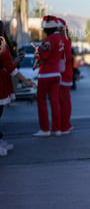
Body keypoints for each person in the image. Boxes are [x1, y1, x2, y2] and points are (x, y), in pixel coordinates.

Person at [0, 23, 35, 155]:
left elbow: (9, 66)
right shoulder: (2, 44)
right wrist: (25, 80)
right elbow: (10, 68)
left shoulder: (2, 44)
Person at [33, 15, 64, 137]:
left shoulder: (50, 39)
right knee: (55, 101)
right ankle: (57, 129)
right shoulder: (60, 38)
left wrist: (37, 53)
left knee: (41, 101)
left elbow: (44, 56)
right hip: (56, 73)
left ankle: (45, 129)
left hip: (45, 74)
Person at [56, 17, 73, 135]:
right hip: (65, 72)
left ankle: (64, 125)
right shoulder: (65, 38)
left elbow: (67, 57)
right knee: (64, 99)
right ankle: (66, 124)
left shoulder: (63, 39)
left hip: (63, 72)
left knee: (63, 100)